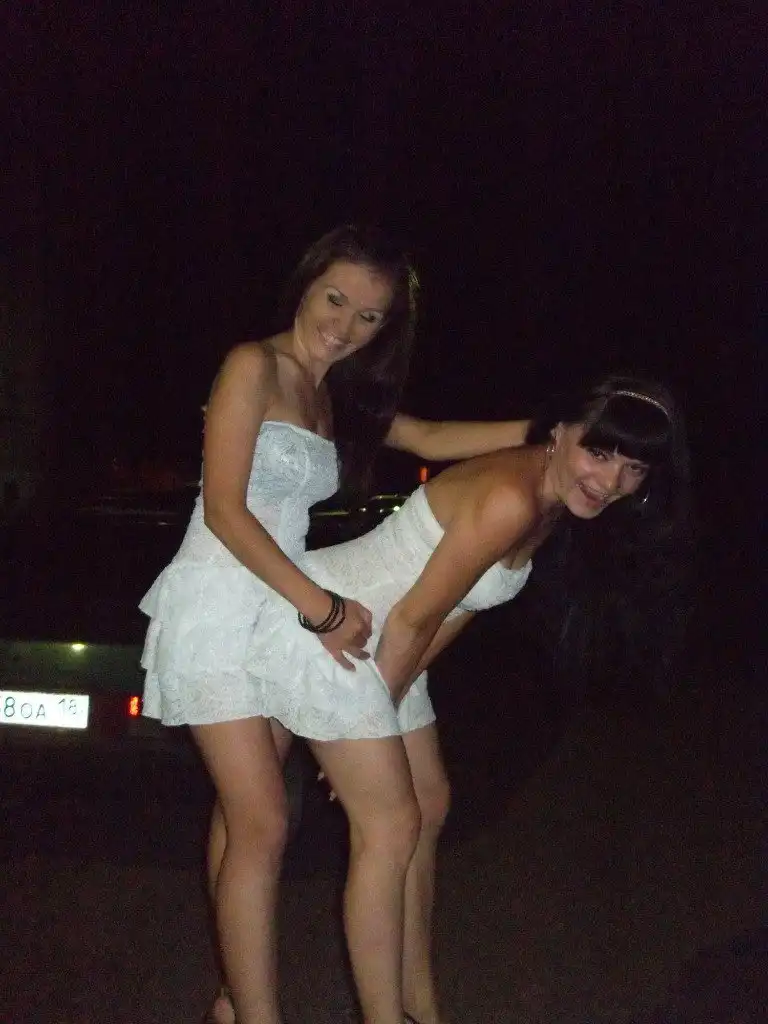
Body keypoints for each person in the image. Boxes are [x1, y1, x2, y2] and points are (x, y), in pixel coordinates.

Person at [138, 224, 531, 1024]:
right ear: (307, 285)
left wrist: (550, 436)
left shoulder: (333, 393)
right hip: (219, 602)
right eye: (336, 299)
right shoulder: (253, 365)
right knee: (262, 821)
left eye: (368, 316)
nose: (345, 324)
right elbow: (225, 510)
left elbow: (427, 437)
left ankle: (234, 1002)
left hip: (280, 603)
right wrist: (319, 608)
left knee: (268, 819)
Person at [211, 372, 692, 1024]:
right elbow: (413, 617)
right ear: (561, 433)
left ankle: (419, 1010)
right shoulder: (510, 499)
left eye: (633, 469)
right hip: (326, 630)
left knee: (428, 803)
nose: (609, 482)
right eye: (600, 453)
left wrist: (381, 708)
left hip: (385, 648)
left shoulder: (549, 499)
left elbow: (457, 608)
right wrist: (364, 722)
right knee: (383, 828)